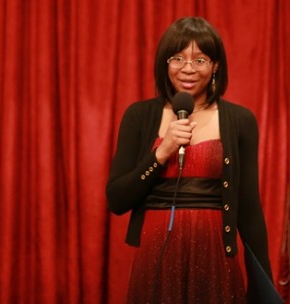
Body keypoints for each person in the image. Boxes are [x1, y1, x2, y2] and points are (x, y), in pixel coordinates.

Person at [106, 16, 273, 304]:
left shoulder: (240, 120)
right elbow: (117, 200)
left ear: (215, 65)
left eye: (200, 60)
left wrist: (263, 288)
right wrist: (161, 153)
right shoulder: (139, 116)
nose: (188, 68)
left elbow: (249, 209)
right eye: (178, 58)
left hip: (215, 256)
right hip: (156, 257)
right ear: (165, 63)